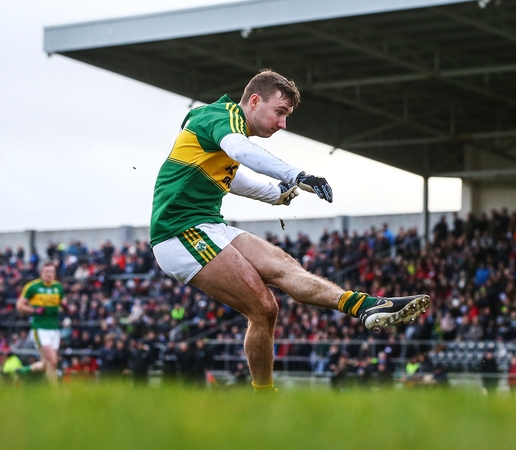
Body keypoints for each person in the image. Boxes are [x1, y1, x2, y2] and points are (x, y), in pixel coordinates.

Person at [149, 69, 429, 391]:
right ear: (254, 101)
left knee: (285, 267)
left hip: (209, 225)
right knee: (264, 308)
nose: (283, 124)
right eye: (280, 112)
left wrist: (273, 194)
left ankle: (364, 306)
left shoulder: (221, 127)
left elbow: (228, 176)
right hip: (178, 232)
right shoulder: (221, 117)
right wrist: (298, 175)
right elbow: (241, 152)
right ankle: (264, 397)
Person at [15, 262, 65, 384]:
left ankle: (23, 371)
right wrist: (34, 310)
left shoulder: (58, 287)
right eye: (46, 271)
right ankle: (55, 391)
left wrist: (66, 307)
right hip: (40, 328)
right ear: (41, 273)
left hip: (54, 328)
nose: (49, 274)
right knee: (52, 360)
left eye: (51, 272)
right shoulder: (32, 287)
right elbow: (20, 305)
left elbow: (63, 303)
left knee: (48, 363)